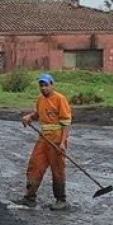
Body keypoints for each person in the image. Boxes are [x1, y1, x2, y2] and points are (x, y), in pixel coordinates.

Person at [17, 73, 73, 210]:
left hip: (57, 137)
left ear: (52, 85)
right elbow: (38, 114)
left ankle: (61, 200)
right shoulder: (40, 99)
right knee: (35, 164)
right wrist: (29, 117)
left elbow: (66, 123)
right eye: (41, 85)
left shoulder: (60, 99)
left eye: (46, 85)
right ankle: (29, 197)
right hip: (44, 137)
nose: (43, 88)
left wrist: (62, 142)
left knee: (57, 168)